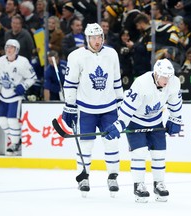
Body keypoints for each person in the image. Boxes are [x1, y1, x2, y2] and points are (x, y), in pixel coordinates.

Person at [104, 58, 183, 203]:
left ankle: (159, 184)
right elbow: (127, 109)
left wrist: (176, 118)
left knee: (159, 153)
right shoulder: (141, 83)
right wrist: (119, 124)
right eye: (164, 77)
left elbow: (175, 102)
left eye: (169, 76)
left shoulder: (174, 82)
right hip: (135, 121)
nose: (167, 80)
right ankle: (139, 185)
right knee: (139, 153)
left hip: (155, 120)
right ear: (157, 74)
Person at [62, 23, 124, 197]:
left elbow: (117, 80)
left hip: (109, 107)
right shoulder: (76, 56)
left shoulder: (111, 53)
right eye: (93, 38)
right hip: (86, 109)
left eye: (100, 37)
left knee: (111, 142)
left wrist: (121, 103)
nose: (97, 41)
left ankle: (112, 176)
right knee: (86, 145)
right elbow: (70, 84)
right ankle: (84, 178)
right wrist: (70, 106)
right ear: (86, 38)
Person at [0, 39, 37, 156]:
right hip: (4, 96)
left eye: (12, 48)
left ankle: (14, 144)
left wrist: (23, 86)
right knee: (1, 120)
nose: (9, 50)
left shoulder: (23, 62)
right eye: (7, 47)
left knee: (12, 120)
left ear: (17, 50)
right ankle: (17, 141)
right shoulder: (1, 61)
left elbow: (32, 77)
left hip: (15, 97)